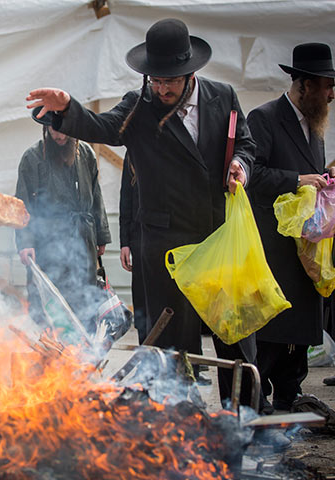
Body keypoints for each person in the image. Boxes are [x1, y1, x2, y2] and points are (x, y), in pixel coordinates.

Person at [26, 18, 257, 405]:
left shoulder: (224, 96)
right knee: (172, 346)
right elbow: (103, 127)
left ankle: (248, 417)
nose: (162, 88)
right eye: (155, 79)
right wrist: (67, 110)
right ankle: (177, 420)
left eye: (171, 80)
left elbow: (246, 144)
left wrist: (241, 166)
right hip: (166, 244)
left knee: (235, 335)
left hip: (219, 238)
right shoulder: (139, 104)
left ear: (191, 73)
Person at [247, 43, 335, 408]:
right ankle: (258, 395)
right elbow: (252, 174)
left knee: (300, 329)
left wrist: (325, 176)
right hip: (273, 245)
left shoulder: (315, 126)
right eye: (327, 85)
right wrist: (297, 179)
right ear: (305, 85)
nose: (331, 94)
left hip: (306, 245)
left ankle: (290, 393)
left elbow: (311, 178)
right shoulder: (264, 118)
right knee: (274, 328)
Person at [15, 111, 111, 334]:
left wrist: (101, 233)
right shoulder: (32, 158)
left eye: (64, 130)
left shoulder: (85, 152)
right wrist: (25, 242)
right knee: (52, 305)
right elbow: (22, 204)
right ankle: (55, 360)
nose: (60, 136)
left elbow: (96, 194)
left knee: (84, 301)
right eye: (54, 129)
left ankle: (84, 358)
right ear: (46, 128)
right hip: (48, 242)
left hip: (82, 238)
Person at [119, 155, 147, 344]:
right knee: (142, 300)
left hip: (167, 238)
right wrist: (125, 242)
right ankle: (145, 351)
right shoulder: (132, 153)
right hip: (139, 238)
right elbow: (126, 199)